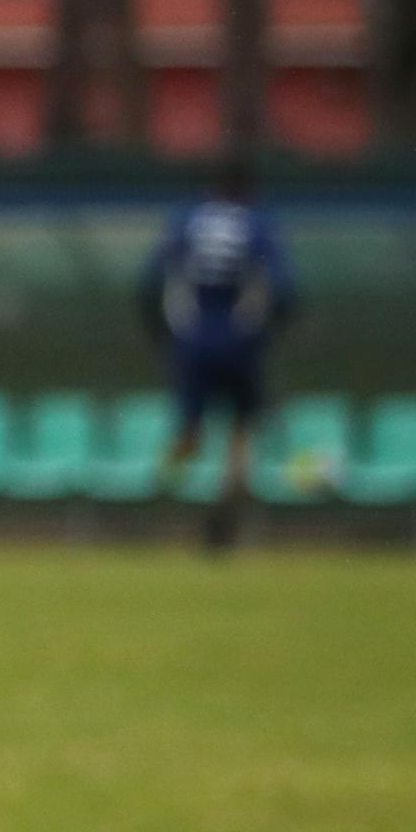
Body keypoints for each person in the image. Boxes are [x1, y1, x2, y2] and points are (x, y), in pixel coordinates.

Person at [140, 158, 303, 549]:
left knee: (189, 433)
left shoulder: (187, 219)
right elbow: (284, 288)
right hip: (241, 342)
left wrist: (162, 335)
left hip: (192, 340)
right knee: (242, 432)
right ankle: (225, 514)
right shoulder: (257, 222)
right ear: (250, 189)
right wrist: (267, 335)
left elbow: (150, 280)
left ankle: (156, 495)